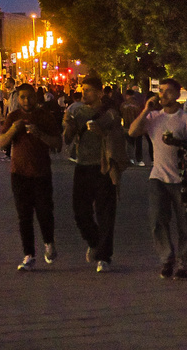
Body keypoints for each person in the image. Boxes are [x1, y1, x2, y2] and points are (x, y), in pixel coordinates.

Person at [127, 77, 187, 279]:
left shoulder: (186, 119)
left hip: (182, 180)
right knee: (158, 219)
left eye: (168, 91)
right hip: (158, 176)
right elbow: (133, 132)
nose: (163, 95)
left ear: (177, 94)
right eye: (161, 91)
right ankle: (167, 258)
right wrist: (145, 110)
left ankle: (184, 263)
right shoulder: (154, 117)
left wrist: (177, 142)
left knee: (185, 223)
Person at [0, 83, 62, 270]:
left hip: (41, 172)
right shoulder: (13, 117)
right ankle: (29, 255)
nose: (26, 101)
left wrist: (39, 133)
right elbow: (0, 141)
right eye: (23, 97)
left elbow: (57, 143)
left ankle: (49, 243)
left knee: (44, 212)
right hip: (19, 173)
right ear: (18, 98)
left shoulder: (44, 116)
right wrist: (13, 130)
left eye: (30, 97)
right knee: (24, 215)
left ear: (36, 97)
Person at [63, 78, 121, 271]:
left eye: (88, 90)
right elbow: (67, 139)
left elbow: (118, 138)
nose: (84, 93)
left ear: (99, 93)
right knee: (80, 212)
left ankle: (104, 257)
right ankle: (95, 242)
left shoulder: (110, 114)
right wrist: (68, 125)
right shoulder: (77, 111)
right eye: (83, 90)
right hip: (82, 166)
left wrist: (101, 132)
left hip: (103, 167)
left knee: (105, 213)